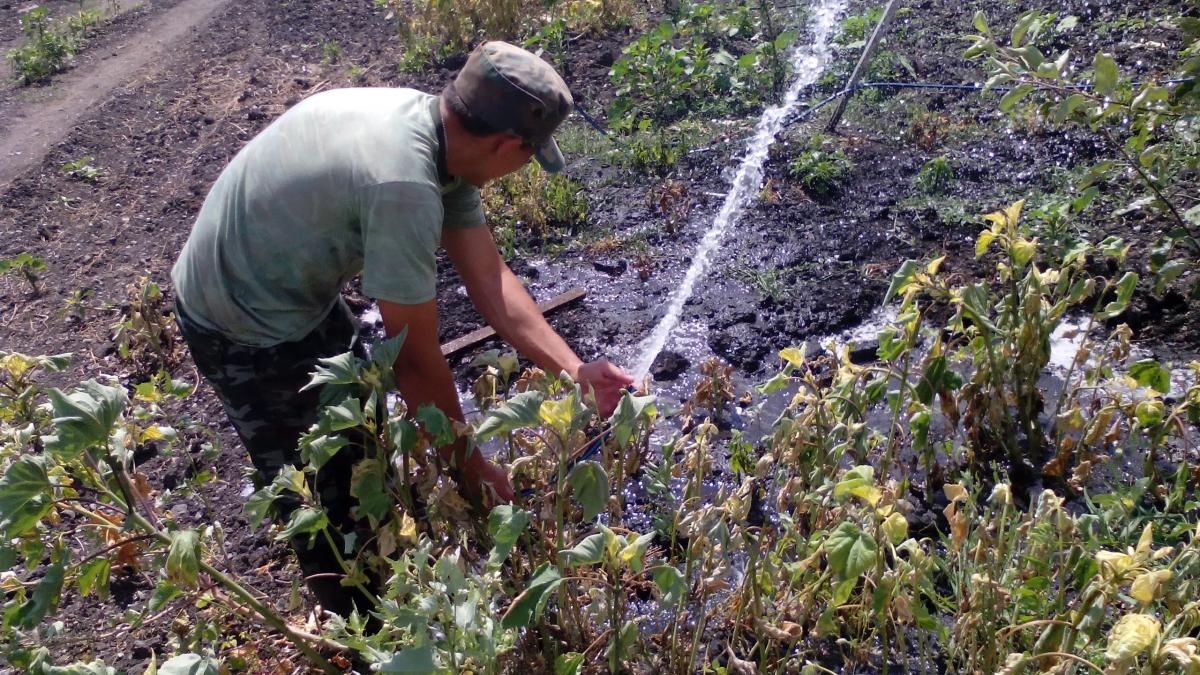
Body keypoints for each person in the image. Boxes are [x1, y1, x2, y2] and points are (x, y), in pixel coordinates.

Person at [170, 41, 634, 616]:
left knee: (362, 432)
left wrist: (574, 370)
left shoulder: (438, 131)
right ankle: (362, 633)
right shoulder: (405, 186)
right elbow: (414, 360)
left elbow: (490, 279)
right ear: (508, 144)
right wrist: (472, 472)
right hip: (238, 319)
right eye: (529, 156)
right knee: (324, 498)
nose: (521, 169)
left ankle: (384, 557)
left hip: (289, 291)